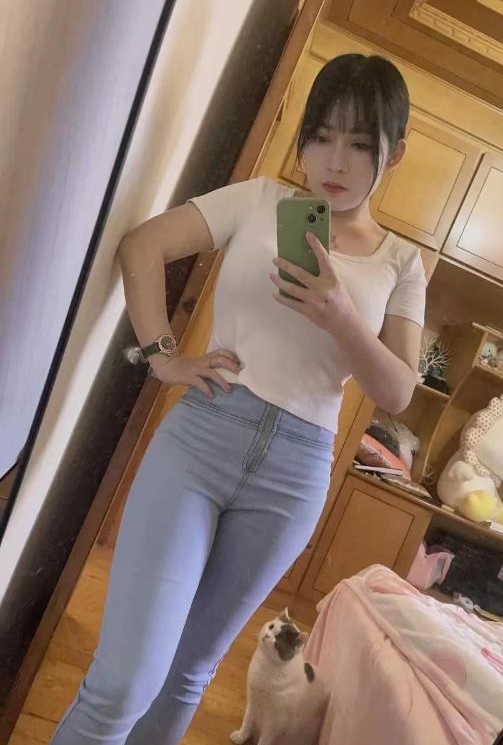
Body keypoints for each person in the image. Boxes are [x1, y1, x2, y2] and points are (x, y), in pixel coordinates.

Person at [51, 53, 426, 745]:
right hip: (202, 438)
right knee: (126, 678)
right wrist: (164, 358)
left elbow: (397, 390)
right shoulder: (259, 200)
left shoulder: (401, 262)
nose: (333, 160)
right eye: (321, 135)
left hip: (296, 472)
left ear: (394, 153)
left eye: (359, 143)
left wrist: (343, 316)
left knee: (188, 673)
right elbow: (141, 247)